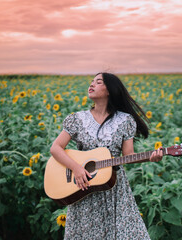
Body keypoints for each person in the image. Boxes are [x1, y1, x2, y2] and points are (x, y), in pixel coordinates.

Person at [50, 72, 163, 239]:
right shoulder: (77, 119)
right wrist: (77, 168)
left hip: (115, 189)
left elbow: (128, 155)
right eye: (91, 82)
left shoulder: (125, 120)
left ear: (110, 90)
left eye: (98, 82)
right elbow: (56, 148)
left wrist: (150, 157)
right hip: (83, 187)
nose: (92, 84)